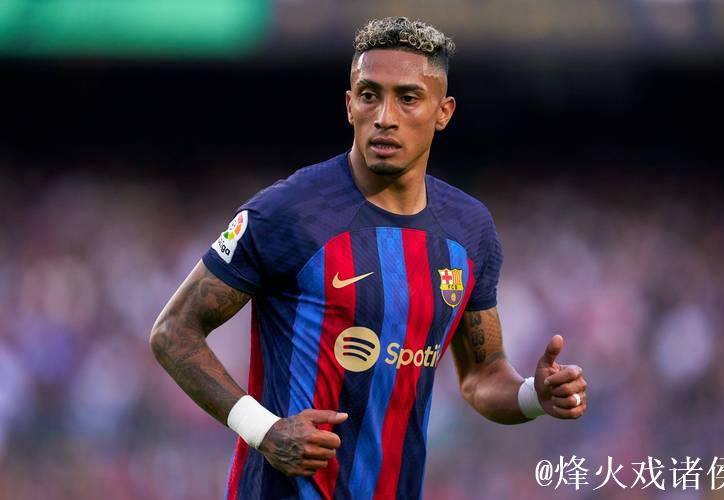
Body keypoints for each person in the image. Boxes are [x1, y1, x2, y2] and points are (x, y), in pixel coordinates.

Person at [150, 16, 588, 500]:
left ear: (443, 112)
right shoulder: (287, 213)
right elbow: (173, 331)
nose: (384, 116)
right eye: (369, 95)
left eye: (407, 98)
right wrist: (264, 430)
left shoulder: (469, 229)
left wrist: (533, 396)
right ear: (349, 105)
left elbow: (482, 376)